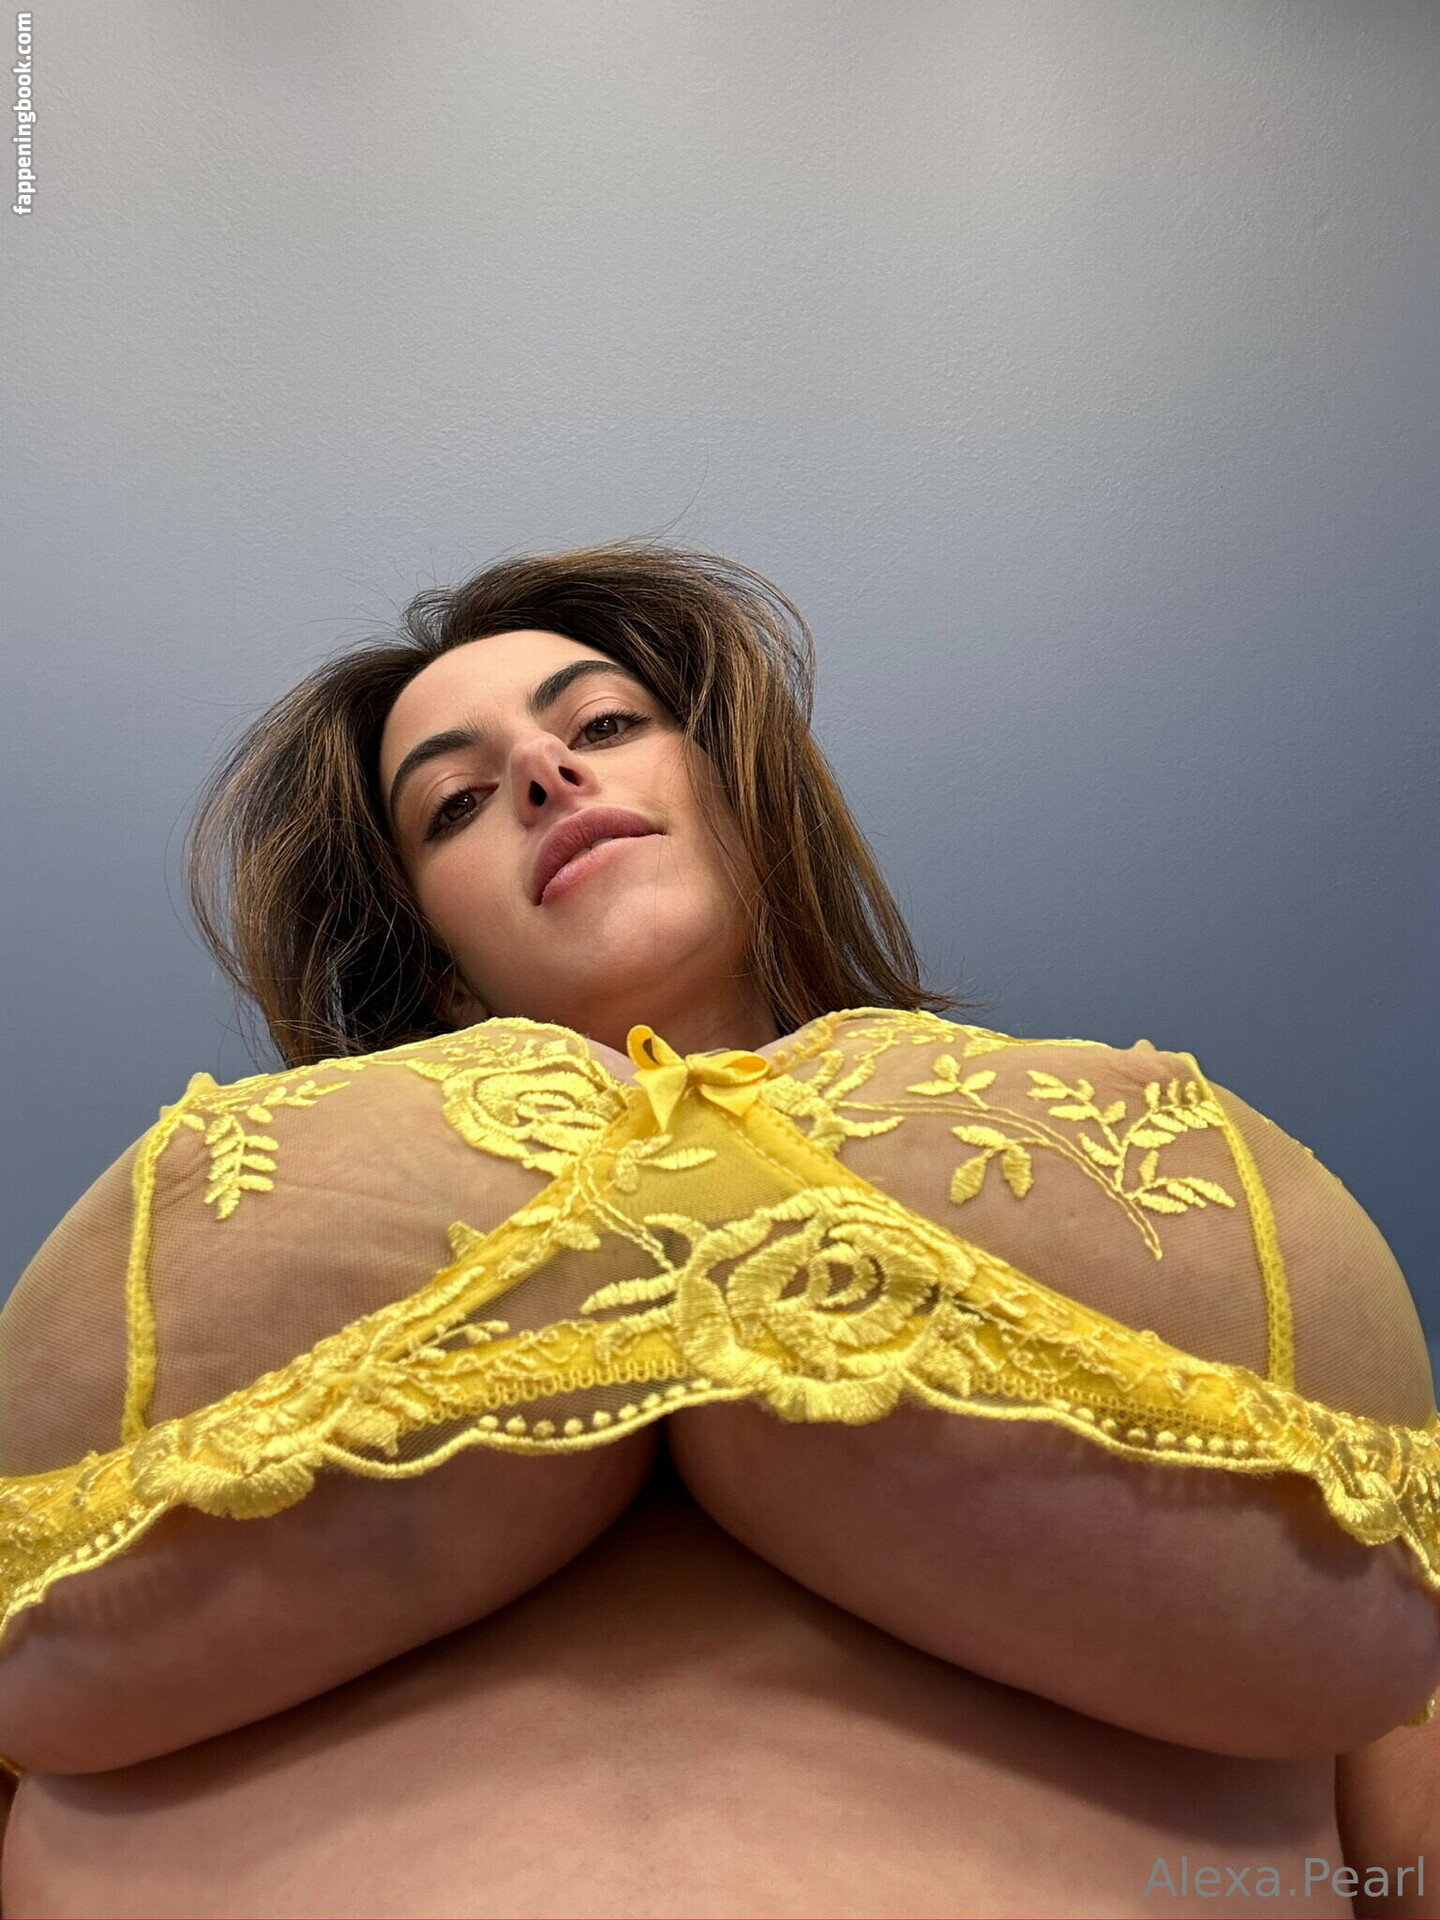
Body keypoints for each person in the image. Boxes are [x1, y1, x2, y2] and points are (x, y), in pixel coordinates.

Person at [0, 539, 1436, 1920]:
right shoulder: (252, 1275)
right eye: (454, 804)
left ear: (738, 795)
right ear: (442, 976)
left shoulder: (1097, 1206)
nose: (545, 774)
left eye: (604, 724)